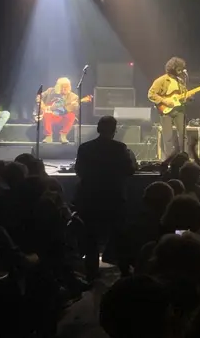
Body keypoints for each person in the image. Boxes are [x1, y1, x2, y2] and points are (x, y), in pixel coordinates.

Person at [75, 116, 135, 280]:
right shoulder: (120, 148)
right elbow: (129, 171)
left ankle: (91, 274)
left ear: (98, 129)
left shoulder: (85, 147)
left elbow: (79, 171)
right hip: (114, 198)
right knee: (119, 235)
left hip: (90, 199)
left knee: (91, 238)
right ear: (114, 131)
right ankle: (124, 272)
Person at [148, 57, 188, 155]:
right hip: (166, 111)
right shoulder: (161, 80)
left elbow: (183, 95)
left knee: (183, 135)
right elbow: (151, 94)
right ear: (172, 68)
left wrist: (186, 97)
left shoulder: (181, 81)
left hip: (179, 110)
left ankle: (184, 156)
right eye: (178, 68)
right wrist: (164, 101)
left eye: (181, 68)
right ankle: (169, 159)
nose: (180, 70)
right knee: (168, 137)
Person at [37, 77, 79, 144]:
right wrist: (43, 107)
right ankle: (48, 136)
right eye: (62, 87)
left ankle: (63, 135)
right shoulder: (50, 91)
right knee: (47, 114)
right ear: (57, 87)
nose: (64, 89)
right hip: (51, 116)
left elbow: (75, 111)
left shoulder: (74, 97)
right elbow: (38, 97)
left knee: (71, 115)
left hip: (62, 118)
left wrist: (74, 106)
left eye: (66, 87)